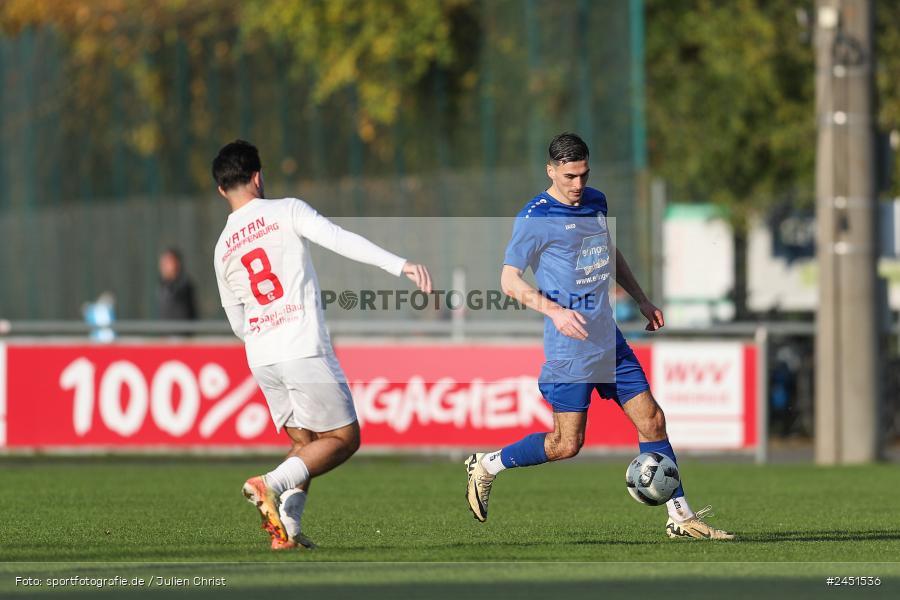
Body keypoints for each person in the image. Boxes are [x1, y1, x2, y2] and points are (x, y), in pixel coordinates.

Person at [464, 133, 733, 540]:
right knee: (565, 444)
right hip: (570, 352)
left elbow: (607, 250)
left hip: (609, 342)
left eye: (584, 175)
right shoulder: (535, 218)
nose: (578, 185)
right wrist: (554, 311)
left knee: (653, 420)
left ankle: (681, 517)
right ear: (551, 170)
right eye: (569, 176)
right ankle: (488, 465)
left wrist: (642, 298)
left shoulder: (596, 201)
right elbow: (508, 281)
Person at [211, 140, 432, 550]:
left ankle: (287, 532)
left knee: (305, 444)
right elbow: (340, 239)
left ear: (222, 190)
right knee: (345, 438)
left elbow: (236, 321)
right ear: (258, 176)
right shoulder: (286, 211)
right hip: (301, 347)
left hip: (261, 355)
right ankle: (267, 483)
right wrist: (399, 264)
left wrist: (264, 334)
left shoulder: (222, 248)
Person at [157, 248, 198, 321]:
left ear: (177, 263)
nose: (164, 266)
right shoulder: (162, 286)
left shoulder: (185, 285)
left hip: (181, 331)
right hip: (165, 332)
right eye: (163, 263)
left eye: (168, 262)